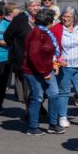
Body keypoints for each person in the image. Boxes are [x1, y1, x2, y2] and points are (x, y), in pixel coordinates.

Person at [22, 7, 66, 135]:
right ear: (48, 21)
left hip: (47, 69)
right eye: (53, 19)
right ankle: (33, 126)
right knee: (37, 97)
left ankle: (52, 124)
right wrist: (44, 72)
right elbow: (34, 56)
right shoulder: (36, 33)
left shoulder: (46, 32)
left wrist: (54, 64)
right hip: (34, 71)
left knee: (54, 94)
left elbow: (49, 52)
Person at [51, 7, 78, 128]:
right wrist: (58, 60)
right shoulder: (56, 29)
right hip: (65, 66)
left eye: (68, 16)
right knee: (64, 92)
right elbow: (53, 47)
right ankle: (62, 117)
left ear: (74, 17)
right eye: (64, 16)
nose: (65, 18)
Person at [5, 0, 41, 114]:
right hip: (24, 58)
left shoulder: (42, 18)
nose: (36, 8)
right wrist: (16, 48)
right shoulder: (20, 19)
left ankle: (38, 106)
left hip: (40, 58)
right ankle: (29, 110)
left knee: (40, 85)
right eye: (33, 5)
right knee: (28, 86)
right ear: (27, 7)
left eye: (38, 5)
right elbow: (7, 36)